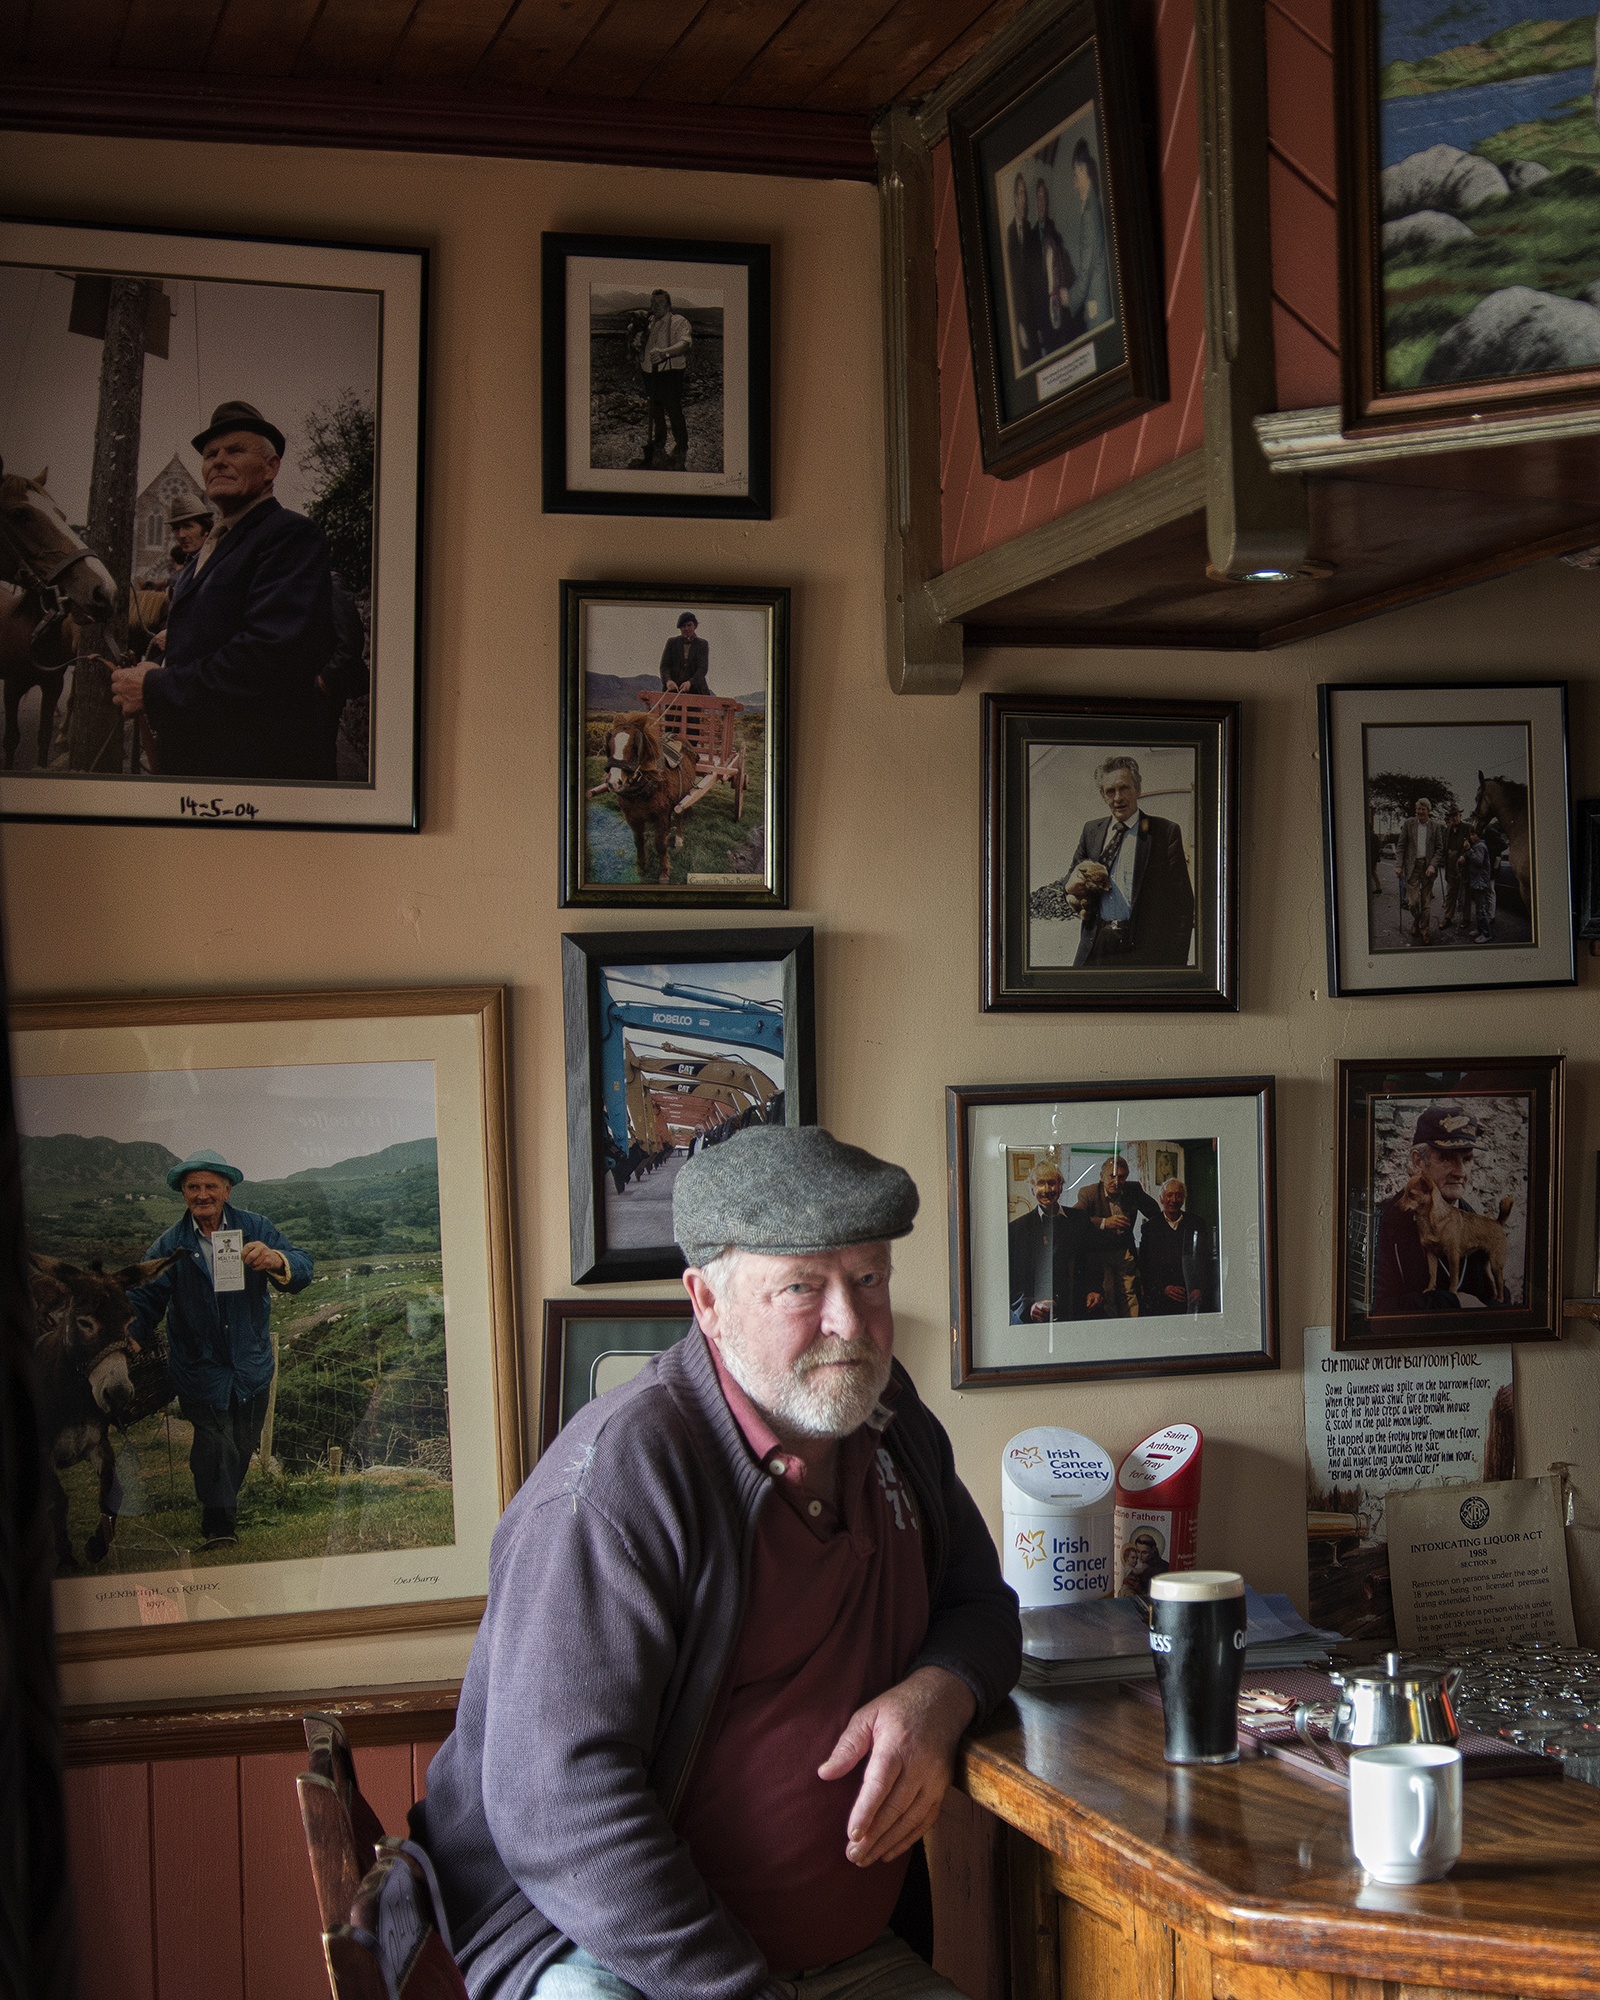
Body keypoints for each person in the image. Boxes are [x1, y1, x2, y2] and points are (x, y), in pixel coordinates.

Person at [414, 1125, 1021, 2000]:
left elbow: (982, 1607)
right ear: (706, 1302)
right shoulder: (621, 1479)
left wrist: (940, 1692)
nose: (848, 1322)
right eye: (802, 1287)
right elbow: (560, 1806)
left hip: (845, 1959)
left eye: (869, 1279)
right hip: (599, 1956)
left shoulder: (891, 1421)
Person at [108, 400, 335, 781]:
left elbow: (268, 659)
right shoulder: (209, 549)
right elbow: (202, 642)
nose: (217, 460)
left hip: (255, 770)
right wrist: (155, 669)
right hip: (196, 763)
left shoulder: (290, 535)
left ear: (271, 467)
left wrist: (156, 686)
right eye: (210, 454)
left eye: (235, 450)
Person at [127, 1148, 313, 1548]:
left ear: (227, 1190)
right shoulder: (170, 1245)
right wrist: (129, 1337)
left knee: (242, 1445)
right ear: (183, 1194)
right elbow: (144, 1300)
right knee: (214, 1439)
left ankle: (219, 1505)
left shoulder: (255, 1227)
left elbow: (303, 1266)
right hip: (199, 1368)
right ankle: (219, 1527)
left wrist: (275, 1258)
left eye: (211, 1185)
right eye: (192, 1187)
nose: (202, 1194)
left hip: (250, 1365)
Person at [1058, 755, 1195, 967]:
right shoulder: (1091, 831)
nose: (1118, 797)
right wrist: (1072, 885)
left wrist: (1176, 963)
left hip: (1143, 951)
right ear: (1103, 795)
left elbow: (1183, 904)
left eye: (1125, 788)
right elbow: (1069, 881)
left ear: (1138, 789)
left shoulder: (1163, 832)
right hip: (1096, 945)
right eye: (1110, 791)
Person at [1372, 1106, 1500, 1314]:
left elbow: (1500, 1303)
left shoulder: (1475, 1222)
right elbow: (1373, 1311)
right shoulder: (1384, 1224)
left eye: (1466, 1159)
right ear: (1418, 1161)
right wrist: (1450, 1302)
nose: (1460, 1172)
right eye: (1447, 1158)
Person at [1007, 1160, 1103, 1323]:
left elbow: (1093, 1258)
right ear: (1032, 1190)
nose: (1047, 1190)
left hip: (1077, 1311)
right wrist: (1028, 1307)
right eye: (1040, 1184)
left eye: (1052, 1183)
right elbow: (1011, 1280)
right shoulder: (1016, 1229)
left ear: (1060, 1187)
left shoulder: (1079, 1219)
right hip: (1037, 1318)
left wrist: (1095, 1290)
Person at [1076, 1156, 1162, 1317]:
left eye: (1121, 1177)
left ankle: (1132, 1329)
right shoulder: (1088, 1193)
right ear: (1102, 1176)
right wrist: (1104, 1222)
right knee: (1108, 1296)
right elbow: (1076, 1219)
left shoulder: (1133, 1189)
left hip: (1125, 1252)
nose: (1116, 1181)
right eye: (1112, 1176)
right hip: (1100, 1254)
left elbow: (1155, 1212)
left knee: (1129, 1294)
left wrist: (1149, 1234)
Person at [630, 288, 693, 471]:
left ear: (668, 304)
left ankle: (681, 445)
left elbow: (684, 343)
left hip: (670, 373)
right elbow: (640, 342)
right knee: (655, 408)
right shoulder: (649, 322)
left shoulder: (678, 321)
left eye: (660, 303)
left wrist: (665, 353)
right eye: (653, 303)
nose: (655, 306)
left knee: (673, 410)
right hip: (650, 374)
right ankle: (659, 442)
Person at [1138, 1179, 1217, 1316]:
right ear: (1161, 1199)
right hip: (1161, 1297)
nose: (1174, 1200)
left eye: (1179, 1195)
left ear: (1183, 1199)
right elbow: (1145, 1265)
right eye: (1169, 1195)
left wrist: (1199, 1289)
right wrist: (1164, 1288)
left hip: (1191, 1295)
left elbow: (1204, 1260)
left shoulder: (1196, 1223)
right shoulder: (1150, 1227)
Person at [1065, 140, 1111, 336]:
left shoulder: (1090, 213)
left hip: (1097, 306)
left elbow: (1086, 270)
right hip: (1095, 301)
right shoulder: (1093, 206)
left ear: (1084, 172)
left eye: (1076, 176)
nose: (1075, 185)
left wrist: (1071, 297)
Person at [1003, 172, 1042, 371]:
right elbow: (1011, 284)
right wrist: (1017, 323)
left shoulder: (1031, 232)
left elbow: (1035, 282)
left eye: (1025, 194)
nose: (1024, 199)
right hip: (1018, 319)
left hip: (1033, 319)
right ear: (1014, 198)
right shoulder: (1007, 235)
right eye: (1020, 194)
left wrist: (1038, 324)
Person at [1033, 178, 1076, 354]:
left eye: (1044, 199)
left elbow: (1066, 271)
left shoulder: (1055, 235)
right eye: (1039, 199)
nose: (1041, 203)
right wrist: (1037, 324)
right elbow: (1032, 286)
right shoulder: (1030, 239)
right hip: (1044, 314)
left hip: (1060, 308)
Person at [1396, 796, 1444, 947]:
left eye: (1423, 809)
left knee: (1426, 902)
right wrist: (1398, 865)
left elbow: (1439, 849)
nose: (1420, 811)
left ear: (1428, 811)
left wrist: (1433, 865)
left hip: (1428, 867)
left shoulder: (1435, 826)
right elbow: (1401, 846)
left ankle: (1424, 930)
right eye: (1418, 809)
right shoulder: (1408, 823)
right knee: (1413, 902)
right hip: (1412, 867)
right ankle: (1417, 920)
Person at [658, 610, 711, 693]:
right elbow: (664, 666)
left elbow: (703, 668)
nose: (686, 628)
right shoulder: (672, 642)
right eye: (683, 626)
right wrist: (668, 681)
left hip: (696, 691)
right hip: (674, 690)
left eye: (689, 625)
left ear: (695, 626)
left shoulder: (702, 644)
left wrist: (690, 682)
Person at [1439, 802, 1471, 934]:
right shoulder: (1446, 831)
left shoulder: (1468, 828)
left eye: (1456, 815)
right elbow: (1442, 847)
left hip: (1463, 866)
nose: (1454, 818)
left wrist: (1465, 856)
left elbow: (1472, 847)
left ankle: (1466, 918)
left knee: (1464, 894)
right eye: (1451, 816)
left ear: (1460, 815)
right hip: (1450, 866)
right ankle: (1448, 918)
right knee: (1450, 893)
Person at [1466, 825, 1494, 943]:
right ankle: (1480, 929)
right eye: (1471, 834)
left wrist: (1468, 850)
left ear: (1479, 835)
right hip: (1478, 881)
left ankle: (1487, 934)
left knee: (1481, 909)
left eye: (1473, 834)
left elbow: (1478, 861)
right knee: (1478, 908)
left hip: (1480, 882)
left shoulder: (1480, 846)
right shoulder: (1478, 846)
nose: (1471, 836)